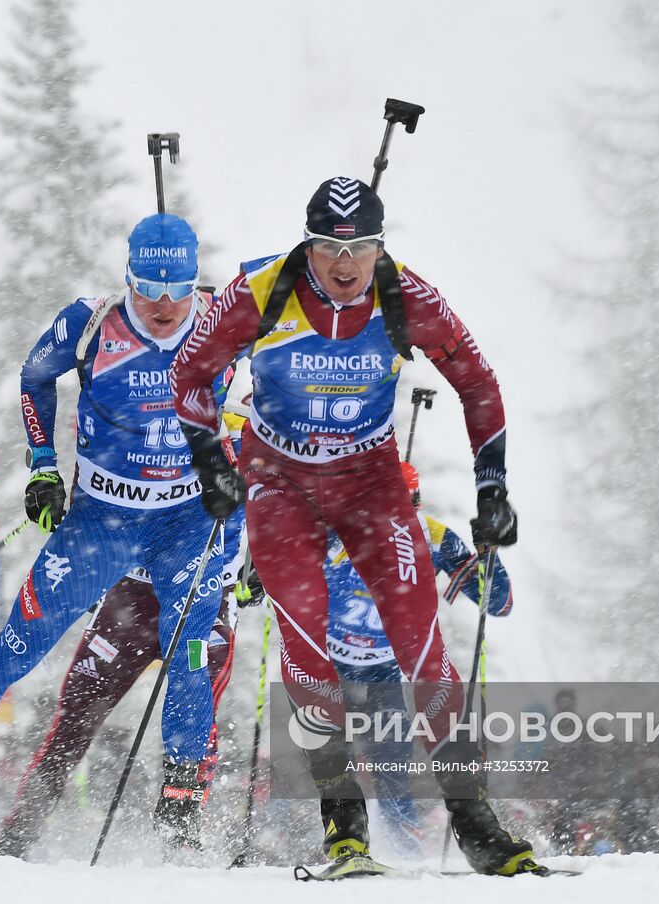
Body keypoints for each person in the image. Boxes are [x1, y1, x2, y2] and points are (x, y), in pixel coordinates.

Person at [170, 176, 537, 875]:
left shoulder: (407, 297)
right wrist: (211, 459)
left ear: (379, 247)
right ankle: (343, 825)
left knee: (420, 640)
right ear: (307, 245)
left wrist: (492, 486)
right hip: (280, 486)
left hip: (371, 487)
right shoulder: (259, 292)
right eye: (329, 248)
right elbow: (190, 376)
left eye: (362, 247)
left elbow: (479, 383)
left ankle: (477, 823)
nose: (345, 265)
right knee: (307, 638)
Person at [0, 214, 236, 851]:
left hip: (188, 524)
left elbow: (278, 385)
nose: (164, 306)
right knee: (18, 648)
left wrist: (239, 489)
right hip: (101, 521)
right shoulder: (90, 322)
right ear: (128, 278)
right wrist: (43, 465)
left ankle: (181, 808)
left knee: (191, 654)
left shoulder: (225, 320)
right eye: (150, 290)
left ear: (196, 283)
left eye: (178, 291)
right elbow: (33, 377)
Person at [320, 461, 513, 861]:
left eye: (403, 508)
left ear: (415, 503)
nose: (392, 522)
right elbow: (280, 572)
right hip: (331, 664)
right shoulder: (335, 531)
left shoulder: (434, 536)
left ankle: (404, 856)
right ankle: (345, 843)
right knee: (328, 760)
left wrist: (488, 555)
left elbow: (499, 603)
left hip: (384, 671)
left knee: (391, 766)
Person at [0, 569, 239, 858]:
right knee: (72, 725)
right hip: (133, 593)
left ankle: (182, 838)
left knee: (197, 720)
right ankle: (15, 840)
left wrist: (256, 570)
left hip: (207, 595)